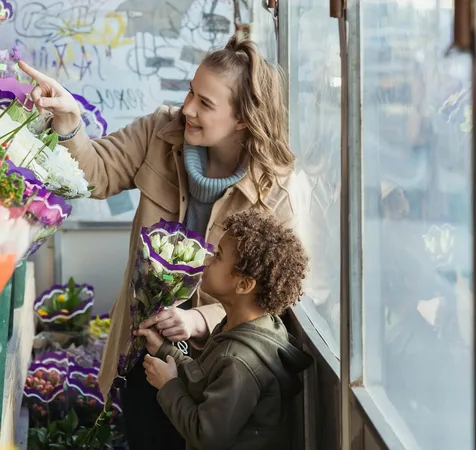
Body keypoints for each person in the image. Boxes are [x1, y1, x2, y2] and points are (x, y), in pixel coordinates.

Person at [18, 35, 296, 450]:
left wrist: (200, 319)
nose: (187, 109)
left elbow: (272, 292)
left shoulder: (272, 189)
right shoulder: (160, 131)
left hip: (215, 368)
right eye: (190, 92)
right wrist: (70, 124)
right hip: (143, 346)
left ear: (242, 119)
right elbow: (96, 175)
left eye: (206, 103)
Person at [135, 210, 313, 450]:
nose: (207, 258)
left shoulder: (241, 362)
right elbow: (206, 380)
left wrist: (169, 386)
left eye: (218, 256)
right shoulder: (243, 326)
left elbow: (206, 436)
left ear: (243, 285)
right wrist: (165, 350)